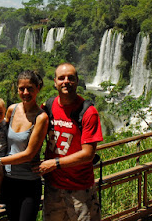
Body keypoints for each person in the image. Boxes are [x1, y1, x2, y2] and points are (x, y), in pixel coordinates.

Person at [35, 63, 103, 221]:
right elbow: (30, 123)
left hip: (80, 189)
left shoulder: (88, 112)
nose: (66, 81)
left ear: (77, 81)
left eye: (70, 78)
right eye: (61, 78)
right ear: (55, 82)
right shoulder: (48, 106)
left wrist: (54, 163)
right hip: (53, 187)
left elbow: (88, 154)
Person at [0, 70, 49, 221]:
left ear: (38, 88)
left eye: (30, 88)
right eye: (22, 88)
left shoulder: (41, 118)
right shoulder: (11, 110)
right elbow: (0, 137)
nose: (25, 92)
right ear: (17, 89)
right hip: (8, 181)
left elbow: (28, 154)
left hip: (28, 182)